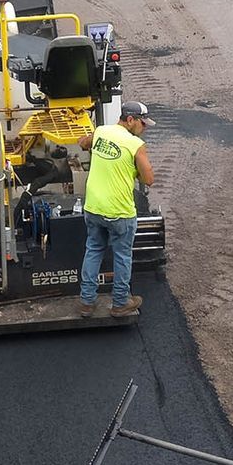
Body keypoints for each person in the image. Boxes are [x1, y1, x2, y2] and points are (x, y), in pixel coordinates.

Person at [75, 101, 156, 320]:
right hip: (119, 212)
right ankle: (120, 303)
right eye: (143, 123)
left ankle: (86, 302)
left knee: (93, 250)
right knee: (122, 256)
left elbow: (84, 143)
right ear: (130, 120)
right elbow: (149, 179)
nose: (144, 128)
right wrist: (133, 170)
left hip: (93, 207)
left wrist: (89, 145)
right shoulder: (135, 144)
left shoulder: (101, 131)